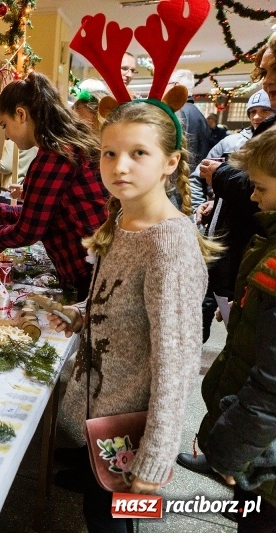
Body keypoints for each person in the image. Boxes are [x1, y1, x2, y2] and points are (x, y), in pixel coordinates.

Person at [49, 98, 218, 533]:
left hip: (132, 431)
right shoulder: (123, 220)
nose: (119, 166)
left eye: (138, 153)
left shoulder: (169, 247)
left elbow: (176, 365)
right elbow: (116, 300)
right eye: (110, 153)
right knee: (96, 508)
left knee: (112, 521)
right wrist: (79, 313)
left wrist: (156, 457)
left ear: (170, 162)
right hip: (104, 418)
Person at [0, 72, 107, 301]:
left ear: (21, 114)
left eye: (5, 125)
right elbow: (41, 213)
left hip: (89, 274)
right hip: (96, 268)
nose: (6, 134)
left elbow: (28, 230)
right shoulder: (64, 146)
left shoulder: (53, 157)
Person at [200, 127, 276, 532]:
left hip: (262, 449)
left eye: (260, 187)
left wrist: (228, 452)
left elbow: (270, 386)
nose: (252, 196)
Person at [191, 89, 274, 342]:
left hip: (243, 249)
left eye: (264, 110)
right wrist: (209, 203)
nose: (257, 116)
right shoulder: (231, 142)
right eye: (252, 111)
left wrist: (221, 176)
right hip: (220, 241)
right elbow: (199, 176)